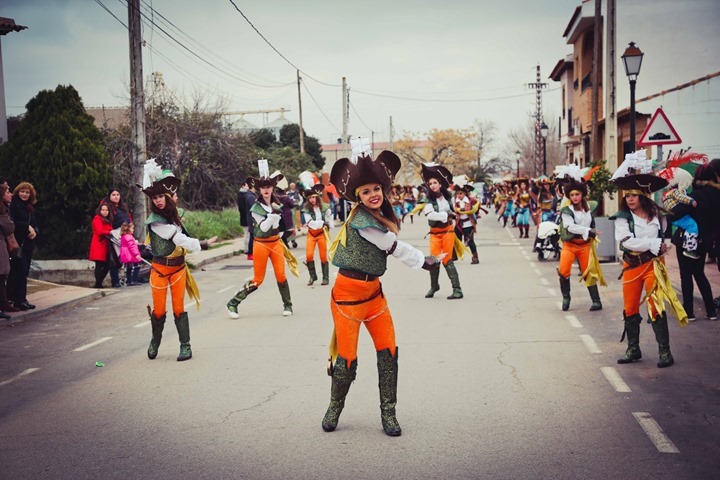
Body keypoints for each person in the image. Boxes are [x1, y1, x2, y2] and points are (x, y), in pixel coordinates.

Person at [322, 141, 440, 436]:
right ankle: (334, 406)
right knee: (347, 361)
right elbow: (392, 246)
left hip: (374, 296)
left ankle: (389, 413)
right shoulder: (363, 220)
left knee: (388, 353)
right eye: (366, 191)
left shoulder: (378, 213)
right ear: (357, 197)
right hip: (348, 299)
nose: (373, 195)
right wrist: (422, 261)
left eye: (376, 189)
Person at [610, 152, 688, 368]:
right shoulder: (623, 218)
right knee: (630, 306)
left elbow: (667, 237)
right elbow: (626, 242)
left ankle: (665, 352)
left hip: (654, 265)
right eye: (627, 196)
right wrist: (653, 244)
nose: (630, 199)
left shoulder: (658, 214)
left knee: (656, 305)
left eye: (634, 195)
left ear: (643, 196)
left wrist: (664, 246)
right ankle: (633, 349)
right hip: (632, 266)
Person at [142, 174, 215, 361]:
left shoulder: (175, 215)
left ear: (167, 197)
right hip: (160, 270)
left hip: (178, 269)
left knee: (179, 308)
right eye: (154, 198)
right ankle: (155, 340)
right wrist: (203, 243)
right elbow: (178, 238)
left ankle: (185, 346)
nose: (158, 201)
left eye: (161, 197)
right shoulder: (155, 220)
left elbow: (181, 234)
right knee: (159, 310)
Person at [226, 165, 299, 318]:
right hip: (261, 244)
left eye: (268, 187)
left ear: (273, 188)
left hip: (275, 243)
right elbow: (264, 227)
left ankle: (288, 305)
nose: (266, 190)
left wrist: (285, 226)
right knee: (258, 279)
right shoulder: (256, 208)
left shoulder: (276, 204)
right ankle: (233, 303)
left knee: (281, 275)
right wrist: (273, 215)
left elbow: (278, 226)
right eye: (263, 187)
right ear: (259, 189)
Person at [669, 163, 719, 321]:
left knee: (686, 275)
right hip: (704, 241)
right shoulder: (717, 195)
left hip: (686, 240)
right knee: (700, 274)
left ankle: (689, 312)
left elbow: (676, 214)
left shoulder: (695, 196)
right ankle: (711, 311)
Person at [556, 176, 604, 311]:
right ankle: (566, 298)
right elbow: (570, 227)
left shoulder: (590, 207)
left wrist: (589, 232)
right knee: (564, 271)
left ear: (582, 194)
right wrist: (588, 230)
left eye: (577, 194)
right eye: (572, 195)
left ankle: (596, 301)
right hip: (570, 245)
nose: (575, 197)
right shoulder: (567, 211)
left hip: (585, 245)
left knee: (589, 272)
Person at [420, 163, 464, 299]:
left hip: (448, 232)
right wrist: (446, 215)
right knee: (433, 260)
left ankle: (457, 289)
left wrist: (451, 217)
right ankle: (434, 286)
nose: (432, 185)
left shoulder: (447, 197)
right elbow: (430, 214)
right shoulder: (428, 200)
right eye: (430, 183)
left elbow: (454, 213)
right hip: (434, 233)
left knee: (447, 260)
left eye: (435, 182)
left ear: (440, 184)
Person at [8, 182, 38, 310]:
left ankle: (22, 298)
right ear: (17, 191)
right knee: (17, 271)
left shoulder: (30, 207)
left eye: (27, 192)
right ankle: (16, 299)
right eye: (22, 191)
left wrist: (35, 231)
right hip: (17, 242)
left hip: (28, 244)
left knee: (24, 272)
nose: (24, 194)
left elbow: (36, 223)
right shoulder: (13, 205)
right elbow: (11, 222)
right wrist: (27, 227)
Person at [301, 184, 332, 286]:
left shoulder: (324, 207)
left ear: (317, 197)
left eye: (313, 197)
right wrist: (323, 223)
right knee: (309, 255)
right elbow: (310, 223)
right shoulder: (306, 209)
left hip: (321, 234)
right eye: (309, 198)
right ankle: (312, 276)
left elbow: (329, 216)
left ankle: (325, 278)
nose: (312, 200)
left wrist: (329, 224)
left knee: (323, 256)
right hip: (311, 234)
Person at [101, 189, 132, 288]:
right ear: (109, 196)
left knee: (127, 258)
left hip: (126, 235)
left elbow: (128, 219)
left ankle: (131, 279)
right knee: (114, 259)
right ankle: (115, 281)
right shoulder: (108, 208)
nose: (116, 196)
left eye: (118, 194)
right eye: (113, 194)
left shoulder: (123, 207)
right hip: (114, 236)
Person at [452, 184, 479, 264]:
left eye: (461, 193)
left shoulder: (470, 200)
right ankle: (454, 256)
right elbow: (453, 209)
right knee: (455, 240)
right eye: (457, 193)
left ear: (465, 194)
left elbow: (472, 209)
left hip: (468, 224)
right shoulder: (454, 200)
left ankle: (475, 257)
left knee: (470, 241)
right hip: (459, 223)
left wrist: (461, 209)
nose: (459, 195)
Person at [88, 203, 114, 289]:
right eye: (103, 210)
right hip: (99, 244)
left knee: (107, 265)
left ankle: (98, 282)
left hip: (105, 244)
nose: (105, 212)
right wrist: (109, 232)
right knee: (99, 265)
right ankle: (98, 284)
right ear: (100, 210)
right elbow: (99, 231)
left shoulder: (108, 220)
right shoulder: (97, 218)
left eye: (106, 210)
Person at [0, 184, 16, 318]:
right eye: (7, 191)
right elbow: (9, 227)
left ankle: (4, 304)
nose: (10, 194)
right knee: (1, 274)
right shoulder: (2, 209)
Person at [237, 181, 257, 260]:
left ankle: (247, 249)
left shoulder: (245, 195)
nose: (248, 187)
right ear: (243, 186)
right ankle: (247, 250)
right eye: (247, 186)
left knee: (248, 235)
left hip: (246, 216)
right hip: (246, 217)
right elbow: (242, 208)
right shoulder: (243, 195)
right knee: (248, 235)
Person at [119, 222, 143, 286]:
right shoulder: (129, 237)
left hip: (126, 254)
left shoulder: (123, 236)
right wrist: (136, 254)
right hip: (131, 255)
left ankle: (129, 281)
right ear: (128, 229)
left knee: (129, 268)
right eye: (132, 228)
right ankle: (134, 280)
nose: (133, 230)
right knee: (137, 266)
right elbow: (132, 246)